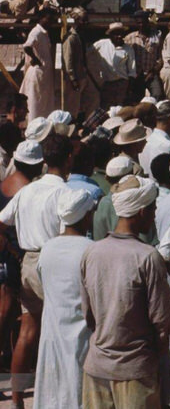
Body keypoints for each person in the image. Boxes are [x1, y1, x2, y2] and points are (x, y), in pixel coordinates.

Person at [80, 175, 170, 409]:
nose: (154, 215)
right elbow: (162, 320)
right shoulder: (147, 257)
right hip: (136, 371)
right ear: (142, 211)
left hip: (97, 367)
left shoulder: (92, 253)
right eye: (153, 209)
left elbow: (88, 314)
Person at [1, 134, 70, 408]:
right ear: (67, 160)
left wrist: (10, 248)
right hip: (55, 261)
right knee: (61, 331)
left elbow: (2, 222)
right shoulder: (64, 193)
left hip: (28, 262)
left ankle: (18, 399)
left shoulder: (27, 191)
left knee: (28, 332)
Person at [34, 184, 97, 409]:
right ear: (85, 215)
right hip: (83, 332)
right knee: (77, 389)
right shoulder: (91, 249)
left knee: (53, 390)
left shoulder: (47, 248)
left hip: (53, 330)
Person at [20, 6, 58, 122]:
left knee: (44, 104)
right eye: (48, 19)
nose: (50, 22)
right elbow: (27, 46)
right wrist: (35, 59)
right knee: (34, 104)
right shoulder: (36, 31)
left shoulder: (45, 33)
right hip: (37, 73)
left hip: (44, 74)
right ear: (41, 18)